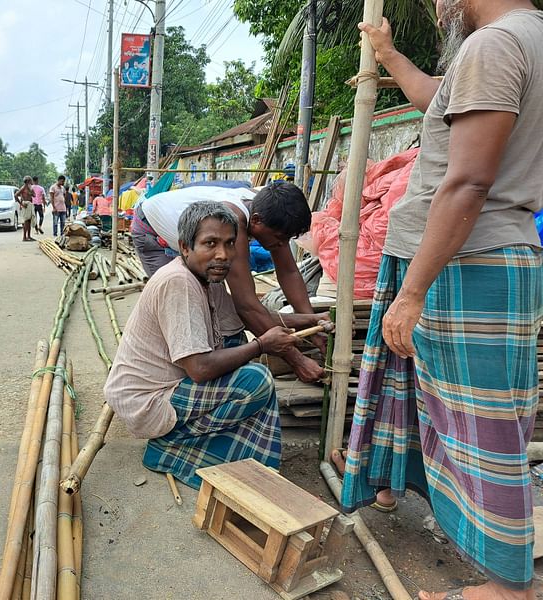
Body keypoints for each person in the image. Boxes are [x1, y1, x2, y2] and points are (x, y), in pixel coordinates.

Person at [340, 4, 543, 600]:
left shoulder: (495, 45)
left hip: (463, 261)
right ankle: (392, 483)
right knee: (414, 395)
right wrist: (388, 53)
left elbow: (469, 182)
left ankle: (509, 589)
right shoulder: (517, 40)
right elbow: (442, 102)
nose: (435, 4)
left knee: (484, 431)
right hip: (461, 255)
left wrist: (412, 291)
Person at [105, 201, 315, 488]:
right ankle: (169, 448)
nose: (223, 255)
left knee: (238, 347)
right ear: (185, 247)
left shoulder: (209, 278)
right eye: (211, 243)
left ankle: (238, 461)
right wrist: (262, 346)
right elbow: (199, 369)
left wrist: (309, 320)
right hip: (148, 400)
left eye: (230, 244)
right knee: (255, 380)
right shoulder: (178, 282)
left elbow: (244, 321)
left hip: (169, 388)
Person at [132, 182, 326, 382]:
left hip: (197, 242)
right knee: (187, 316)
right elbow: (247, 306)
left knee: (223, 317)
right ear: (257, 221)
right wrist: (297, 361)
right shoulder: (236, 218)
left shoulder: (270, 207)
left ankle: (216, 372)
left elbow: (289, 272)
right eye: (279, 239)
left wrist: (313, 325)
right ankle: (173, 385)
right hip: (153, 233)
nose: (282, 245)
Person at [15, 176, 35, 241]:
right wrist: (21, 204)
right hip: (25, 205)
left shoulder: (30, 188)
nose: (32, 182)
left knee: (29, 221)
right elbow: (16, 195)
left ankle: (28, 236)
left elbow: (34, 195)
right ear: (28, 181)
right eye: (30, 181)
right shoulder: (23, 188)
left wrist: (30, 191)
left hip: (29, 204)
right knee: (26, 221)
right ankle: (24, 237)